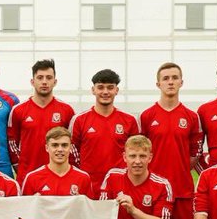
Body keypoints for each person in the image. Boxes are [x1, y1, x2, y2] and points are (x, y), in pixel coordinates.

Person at [140, 62, 204, 219]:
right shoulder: (147, 116)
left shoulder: (191, 117)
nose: (170, 82)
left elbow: (194, 154)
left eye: (174, 78)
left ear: (181, 82)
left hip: (183, 192)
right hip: (154, 194)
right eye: (165, 78)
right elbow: (141, 152)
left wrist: (177, 171)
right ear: (158, 83)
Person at [69, 69, 140, 198]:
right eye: (100, 87)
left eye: (110, 87)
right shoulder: (79, 120)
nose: (105, 92)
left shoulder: (130, 120)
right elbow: (72, 155)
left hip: (119, 188)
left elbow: (136, 154)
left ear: (116, 90)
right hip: (89, 188)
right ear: (93, 90)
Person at [8, 59, 74, 184]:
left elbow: (72, 145)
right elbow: (12, 143)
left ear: (55, 82)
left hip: (57, 176)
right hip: (27, 176)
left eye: (49, 78)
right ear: (32, 82)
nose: (44, 81)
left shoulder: (66, 110)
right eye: (40, 77)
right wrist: (20, 167)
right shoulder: (18, 110)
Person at [20, 127, 92, 197]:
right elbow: (25, 205)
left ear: (70, 148)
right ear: (47, 148)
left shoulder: (83, 178)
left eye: (64, 145)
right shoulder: (32, 178)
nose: (60, 149)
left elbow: (89, 205)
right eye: (55, 145)